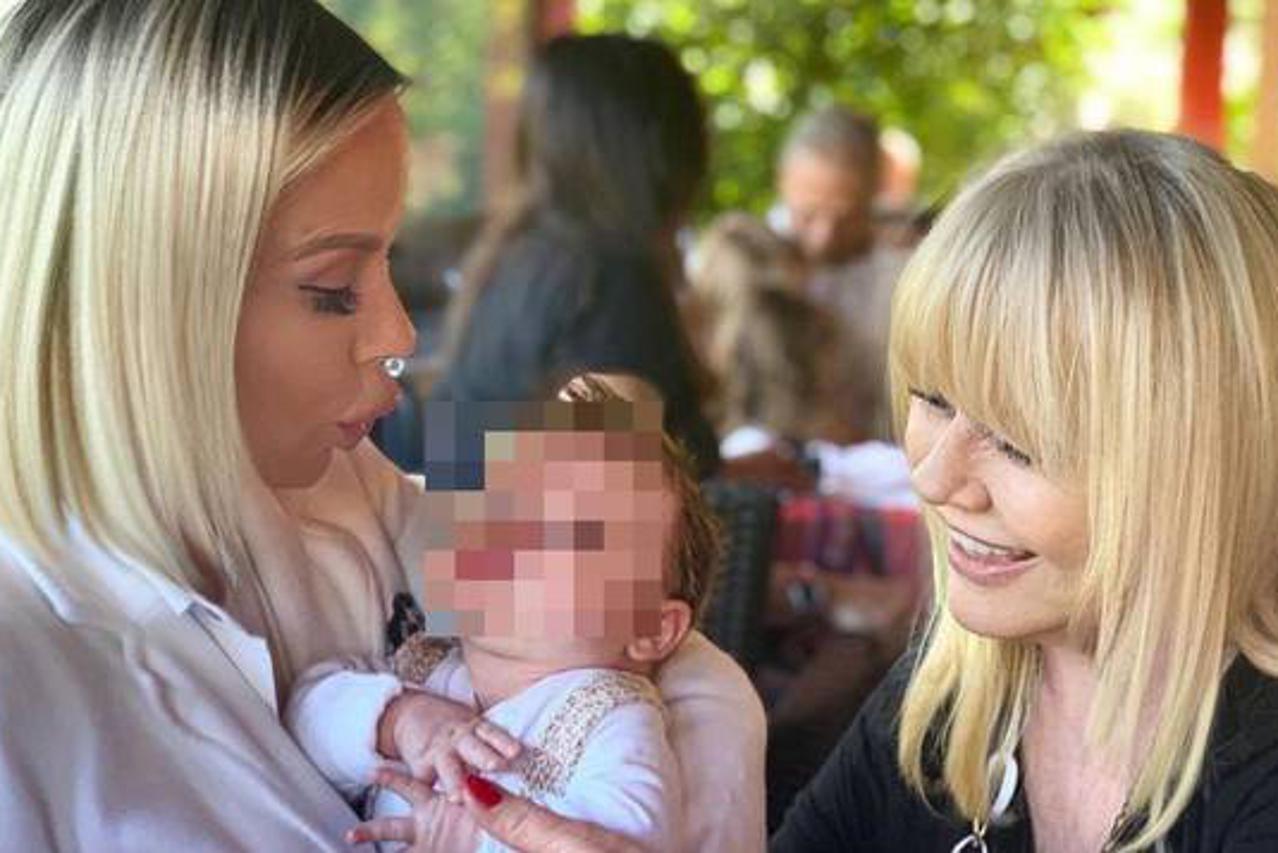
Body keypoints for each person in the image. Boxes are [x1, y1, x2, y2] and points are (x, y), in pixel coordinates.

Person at [0, 3, 765, 851]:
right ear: (139, 300)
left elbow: (664, 654)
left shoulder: (341, 479)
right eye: (332, 289)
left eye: (390, 261)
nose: (400, 334)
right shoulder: (28, 679)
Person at [771, 130, 1278, 852]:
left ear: (1202, 465)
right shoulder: (954, 695)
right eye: (933, 399)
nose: (933, 478)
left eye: (1017, 442)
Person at [287, 377, 725, 852]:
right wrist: (399, 720)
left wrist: (472, 840)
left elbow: (621, 845)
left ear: (652, 628)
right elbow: (301, 714)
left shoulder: (609, 719)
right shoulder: (426, 664)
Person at [431, 34, 720, 479]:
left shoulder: (515, 257)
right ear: (662, 150)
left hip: (473, 520)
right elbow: (611, 495)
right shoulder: (607, 284)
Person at [772, 106, 909, 442]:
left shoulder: (904, 276)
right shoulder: (747, 262)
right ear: (782, 181)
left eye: (845, 218)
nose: (823, 237)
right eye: (807, 215)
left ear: (874, 194)